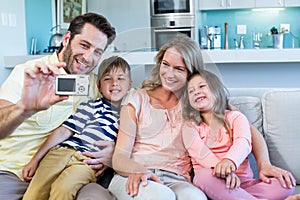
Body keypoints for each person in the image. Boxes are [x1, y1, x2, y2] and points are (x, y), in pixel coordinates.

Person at [108, 35, 296, 200]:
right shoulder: (136, 98)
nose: (169, 74)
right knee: (161, 196)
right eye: (165, 65)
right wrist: (137, 170)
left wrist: (265, 164)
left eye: (179, 69)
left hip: (178, 178)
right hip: (138, 175)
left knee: (195, 197)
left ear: (191, 72)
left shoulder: (198, 102)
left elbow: (248, 132)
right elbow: (120, 157)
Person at [0, 13, 117, 200]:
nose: (88, 57)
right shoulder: (30, 73)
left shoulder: (98, 85)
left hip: (69, 169)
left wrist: (114, 152)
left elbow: (131, 114)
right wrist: (24, 108)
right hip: (17, 172)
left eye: (97, 51)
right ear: (66, 39)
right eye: (84, 45)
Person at [22, 56, 132, 200]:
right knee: (35, 193)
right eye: (107, 79)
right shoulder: (91, 106)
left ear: (129, 85)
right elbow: (63, 131)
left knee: (64, 189)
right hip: (61, 152)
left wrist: (112, 160)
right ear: (99, 86)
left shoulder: (131, 112)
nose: (114, 83)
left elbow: (129, 146)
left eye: (120, 78)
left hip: (87, 162)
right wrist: (35, 159)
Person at [181, 69, 295, 199]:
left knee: (286, 184)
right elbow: (200, 153)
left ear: (216, 89)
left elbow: (243, 142)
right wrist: (222, 172)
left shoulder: (236, 117)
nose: (196, 91)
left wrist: (230, 161)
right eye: (191, 91)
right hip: (214, 181)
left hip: (244, 185)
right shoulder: (189, 127)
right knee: (202, 177)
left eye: (202, 86)